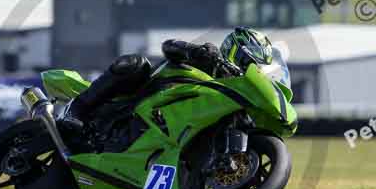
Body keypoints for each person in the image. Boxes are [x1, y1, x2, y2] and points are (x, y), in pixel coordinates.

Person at [60, 27, 273, 129]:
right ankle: (76, 109)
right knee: (137, 64)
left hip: (173, 127)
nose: (253, 68)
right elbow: (169, 45)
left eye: (258, 67)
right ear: (237, 50)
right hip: (148, 96)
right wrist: (195, 51)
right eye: (250, 61)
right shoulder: (210, 57)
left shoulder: (236, 96)